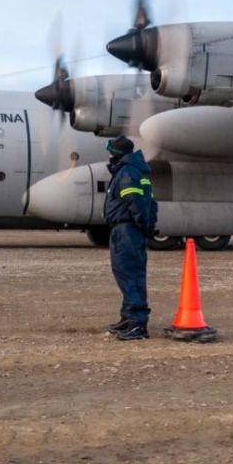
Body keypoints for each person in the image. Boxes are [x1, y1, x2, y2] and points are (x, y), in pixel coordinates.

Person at [103, 136, 158, 341]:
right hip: (123, 230)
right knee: (124, 273)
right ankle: (128, 316)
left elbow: (137, 203)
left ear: (116, 154)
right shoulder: (127, 172)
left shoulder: (127, 174)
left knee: (131, 273)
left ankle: (137, 323)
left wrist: (143, 226)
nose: (108, 155)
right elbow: (148, 203)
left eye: (110, 151)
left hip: (127, 230)